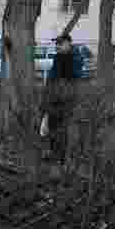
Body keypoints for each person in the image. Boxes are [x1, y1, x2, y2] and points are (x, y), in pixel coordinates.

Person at [44, 34, 81, 164]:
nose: (57, 46)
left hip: (64, 99)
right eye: (57, 43)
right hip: (54, 98)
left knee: (62, 128)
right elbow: (53, 78)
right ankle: (53, 153)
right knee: (52, 125)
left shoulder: (73, 57)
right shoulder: (59, 57)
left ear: (68, 43)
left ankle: (61, 157)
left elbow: (72, 77)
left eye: (60, 43)